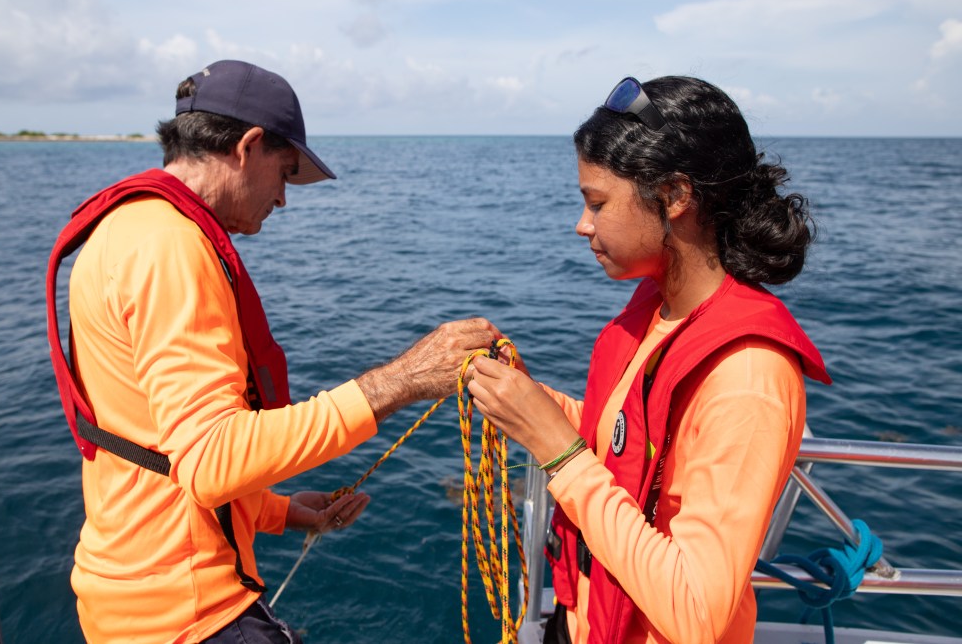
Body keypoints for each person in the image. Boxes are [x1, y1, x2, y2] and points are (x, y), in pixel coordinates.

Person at [45, 59, 498, 644]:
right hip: (186, 615)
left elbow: (153, 445)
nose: (283, 199)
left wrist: (280, 512)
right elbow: (208, 462)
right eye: (284, 172)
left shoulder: (127, 228)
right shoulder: (170, 247)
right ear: (248, 147)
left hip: (131, 596)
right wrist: (401, 381)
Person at [468, 76, 832, 643]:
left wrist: (555, 449)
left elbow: (697, 614)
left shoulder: (748, 377)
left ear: (675, 196)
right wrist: (525, 400)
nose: (582, 224)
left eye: (597, 203)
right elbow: (627, 440)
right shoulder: (661, 310)